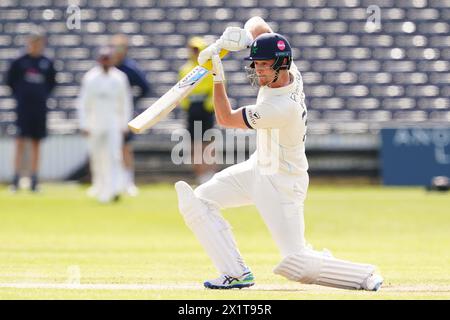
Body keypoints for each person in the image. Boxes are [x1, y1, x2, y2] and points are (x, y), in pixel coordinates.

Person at [174, 17, 384, 291]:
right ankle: (236, 274)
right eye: (256, 64)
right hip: (259, 167)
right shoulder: (289, 69)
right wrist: (229, 42)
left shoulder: (282, 107)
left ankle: (364, 275)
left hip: (282, 182)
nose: (259, 72)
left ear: (281, 65)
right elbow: (259, 24)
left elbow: (225, 118)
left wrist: (217, 73)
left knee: (297, 263)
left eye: (264, 66)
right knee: (197, 201)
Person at [77, 46, 132, 203]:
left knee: (114, 156)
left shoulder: (120, 78)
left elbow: (125, 102)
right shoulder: (91, 77)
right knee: (96, 156)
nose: (106, 62)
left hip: (113, 122)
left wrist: (125, 124)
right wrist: (84, 124)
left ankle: (114, 189)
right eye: (103, 59)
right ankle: (99, 186)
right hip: (94, 123)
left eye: (108, 58)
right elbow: (84, 103)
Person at [6, 28, 56, 192]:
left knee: (36, 143)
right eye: (33, 41)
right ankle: (16, 179)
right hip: (23, 109)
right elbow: (10, 82)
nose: (36, 45)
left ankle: (34, 179)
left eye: (39, 41)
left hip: (39, 109)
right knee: (20, 142)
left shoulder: (47, 62)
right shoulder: (19, 61)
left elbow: (51, 84)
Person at [111, 34, 151, 196]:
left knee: (125, 147)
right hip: (108, 113)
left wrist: (132, 99)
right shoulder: (108, 66)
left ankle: (128, 181)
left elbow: (145, 87)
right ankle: (112, 180)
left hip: (123, 113)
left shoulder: (129, 68)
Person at [179, 36, 216, 184]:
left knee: (208, 142)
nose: (193, 52)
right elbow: (182, 90)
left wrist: (209, 105)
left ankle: (211, 172)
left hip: (205, 108)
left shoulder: (208, 67)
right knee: (195, 143)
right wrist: (186, 105)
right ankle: (200, 174)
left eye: (196, 49)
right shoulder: (185, 69)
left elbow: (216, 86)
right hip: (193, 109)